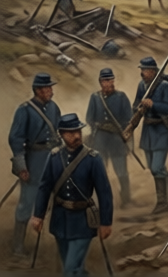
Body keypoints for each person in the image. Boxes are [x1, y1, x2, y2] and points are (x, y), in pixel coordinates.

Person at [30, 113, 113, 276]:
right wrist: (38, 215)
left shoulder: (93, 159)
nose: (76, 136)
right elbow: (44, 187)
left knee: (70, 270)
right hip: (60, 220)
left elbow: (104, 192)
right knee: (76, 270)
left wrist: (106, 222)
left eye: (78, 131)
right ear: (61, 134)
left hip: (83, 222)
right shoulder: (53, 157)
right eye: (70, 133)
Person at [8, 73, 61, 257]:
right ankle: (17, 247)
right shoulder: (25, 110)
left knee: (57, 201)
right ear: (38, 90)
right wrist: (22, 167)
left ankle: (55, 244)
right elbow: (15, 139)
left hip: (53, 162)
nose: (51, 91)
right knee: (27, 203)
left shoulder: (54, 108)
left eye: (51, 88)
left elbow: (58, 133)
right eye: (47, 88)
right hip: (33, 163)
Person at [133, 57, 168, 214]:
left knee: (157, 167)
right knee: (153, 168)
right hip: (148, 131)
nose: (142, 73)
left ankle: (162, 202)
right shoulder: (141, 85)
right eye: (141, 70)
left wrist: (153, 104)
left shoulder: (164, 86)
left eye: (144, 70)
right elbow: (136, 103)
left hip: (161, 130)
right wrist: (139, 108)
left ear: (152, 71)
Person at [85, 68, 134, 205]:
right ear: (100, 82)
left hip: (116, 140)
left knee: (121, 171)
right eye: (104, 80)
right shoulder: (95, 98)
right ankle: (97, 200)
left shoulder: (121, 97)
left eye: (109, 80)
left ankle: (126, 198)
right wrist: (98, 126)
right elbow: (89, 118)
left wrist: (124, 134)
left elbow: (128, 119)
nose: (107, 83)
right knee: (98, 172)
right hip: (100, 139)